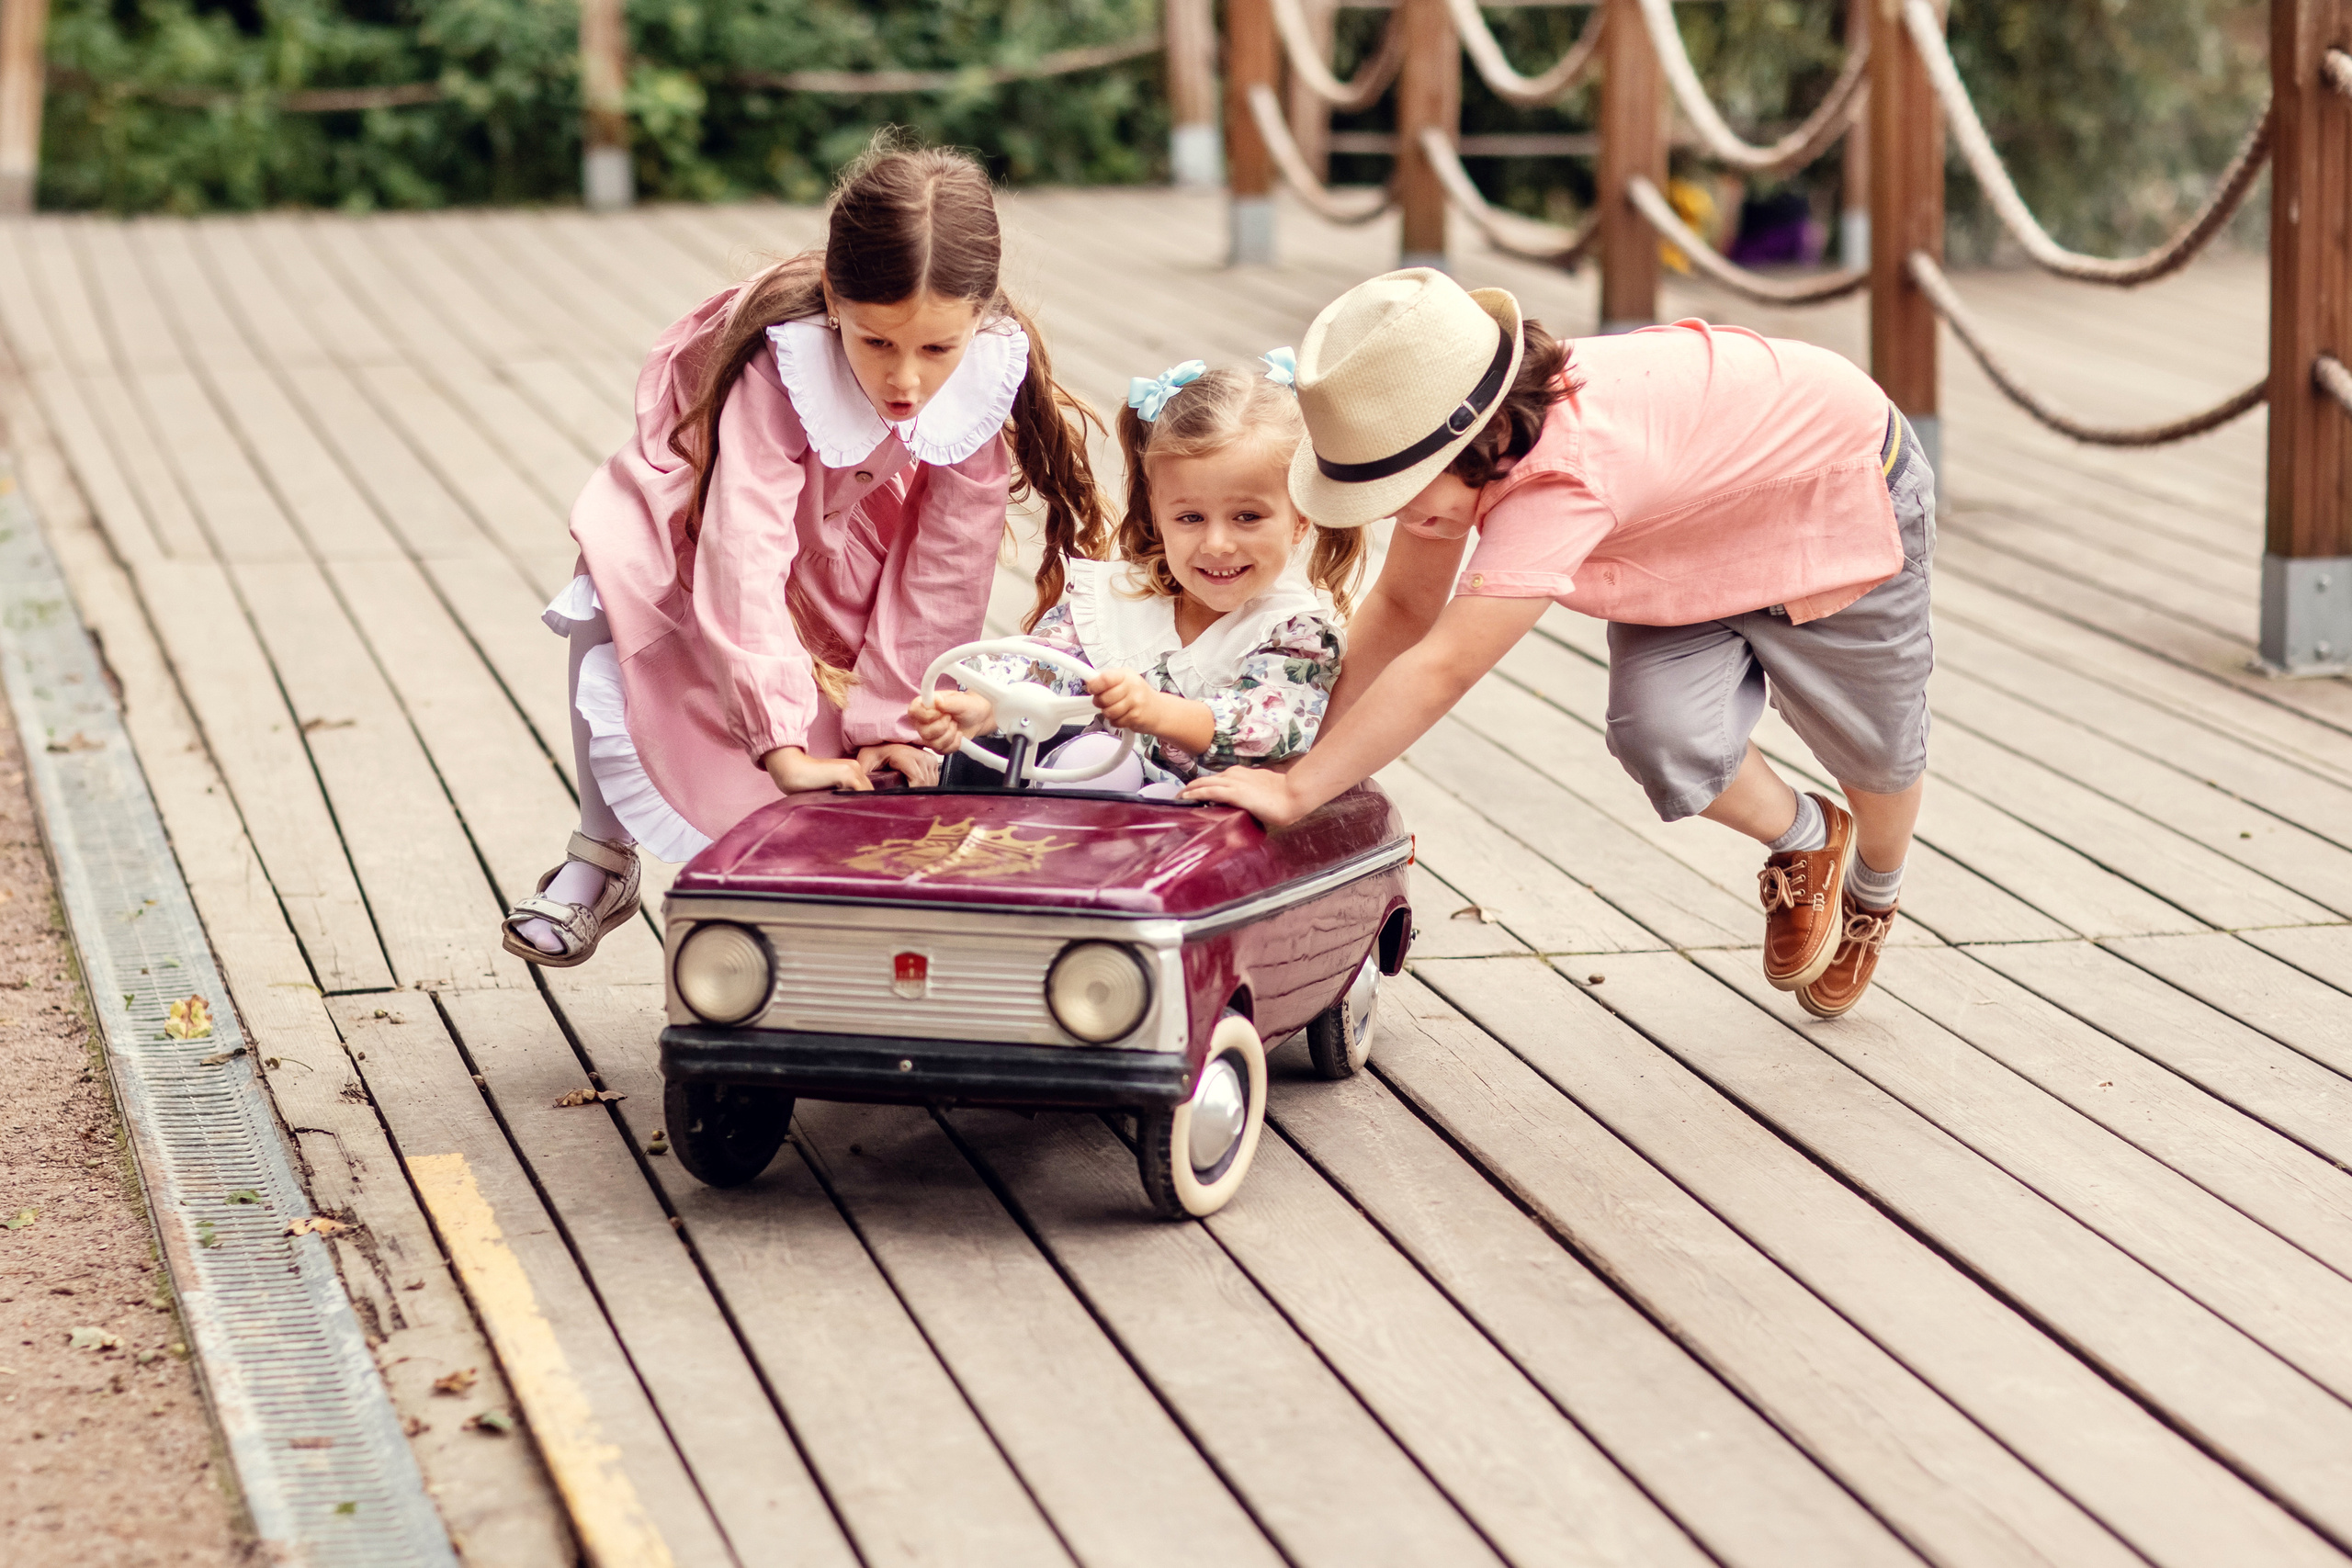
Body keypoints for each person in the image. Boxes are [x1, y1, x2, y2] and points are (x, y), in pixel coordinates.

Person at [1184, 269, 1934, 1020]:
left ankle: (1876, 886)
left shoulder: (1564, 482)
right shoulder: (1462, 447)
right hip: (1675, 539)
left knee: (1876, 749)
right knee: (1660, 732)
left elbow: (1444, 664)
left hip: (1835, 494)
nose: (1393, 515)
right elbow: (1407, 605)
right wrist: (1297, 756)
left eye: (1398, 492)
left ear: (1471, 442)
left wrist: (1296, 792)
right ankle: (1808, 836)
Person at [501, 138, 1108, 967]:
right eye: (875, 342)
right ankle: (599, 855)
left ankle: (820, 903)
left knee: (862, 724)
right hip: (707, 512)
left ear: (978, 317)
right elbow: (743, 546)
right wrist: (776, 736)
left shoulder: (979, 376)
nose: (907, 381)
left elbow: (946, 560)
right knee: (615, 579)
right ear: (834, 300)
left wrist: (896, 719)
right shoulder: (778, 365)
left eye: (937, 348)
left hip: (843, 524)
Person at [910, 357, 1360, 793]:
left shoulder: (1295, 633)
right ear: (1158, 516)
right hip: (1094, 800)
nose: (1217, 543)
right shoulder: (1121, 600)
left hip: (1204, 823)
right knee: (1095, 762)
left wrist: (1156, 712)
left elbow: (1264, 728)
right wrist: (984, 708)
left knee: (1148, 787)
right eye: (1190, 518)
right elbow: (1042, 667)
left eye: (1247, 516)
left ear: (1300, 518)